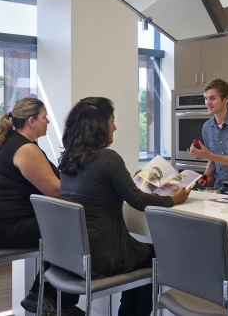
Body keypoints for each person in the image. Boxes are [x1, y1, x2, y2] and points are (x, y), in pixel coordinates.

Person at [58, 97, 190, 316]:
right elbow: (138, 201)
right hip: (104, 255)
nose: (115, 126)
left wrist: (130, 181)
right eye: (112, 120)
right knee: (157, 256)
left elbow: (99, 189)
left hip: (76, 253)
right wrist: (174, 200)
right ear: (100, 125)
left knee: (142, 258)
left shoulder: (69, 159)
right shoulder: (108, 158)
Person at [0, 98, 82, 316]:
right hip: (9, 229)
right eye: (44, 117)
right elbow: (56, 191)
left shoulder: (16, 142)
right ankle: (47, 298)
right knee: (71, 231)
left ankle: (47, 297)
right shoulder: (25, 149)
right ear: (31, 121)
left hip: (2, 225)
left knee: (61, 227)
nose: (47, 121)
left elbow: (53, 180)